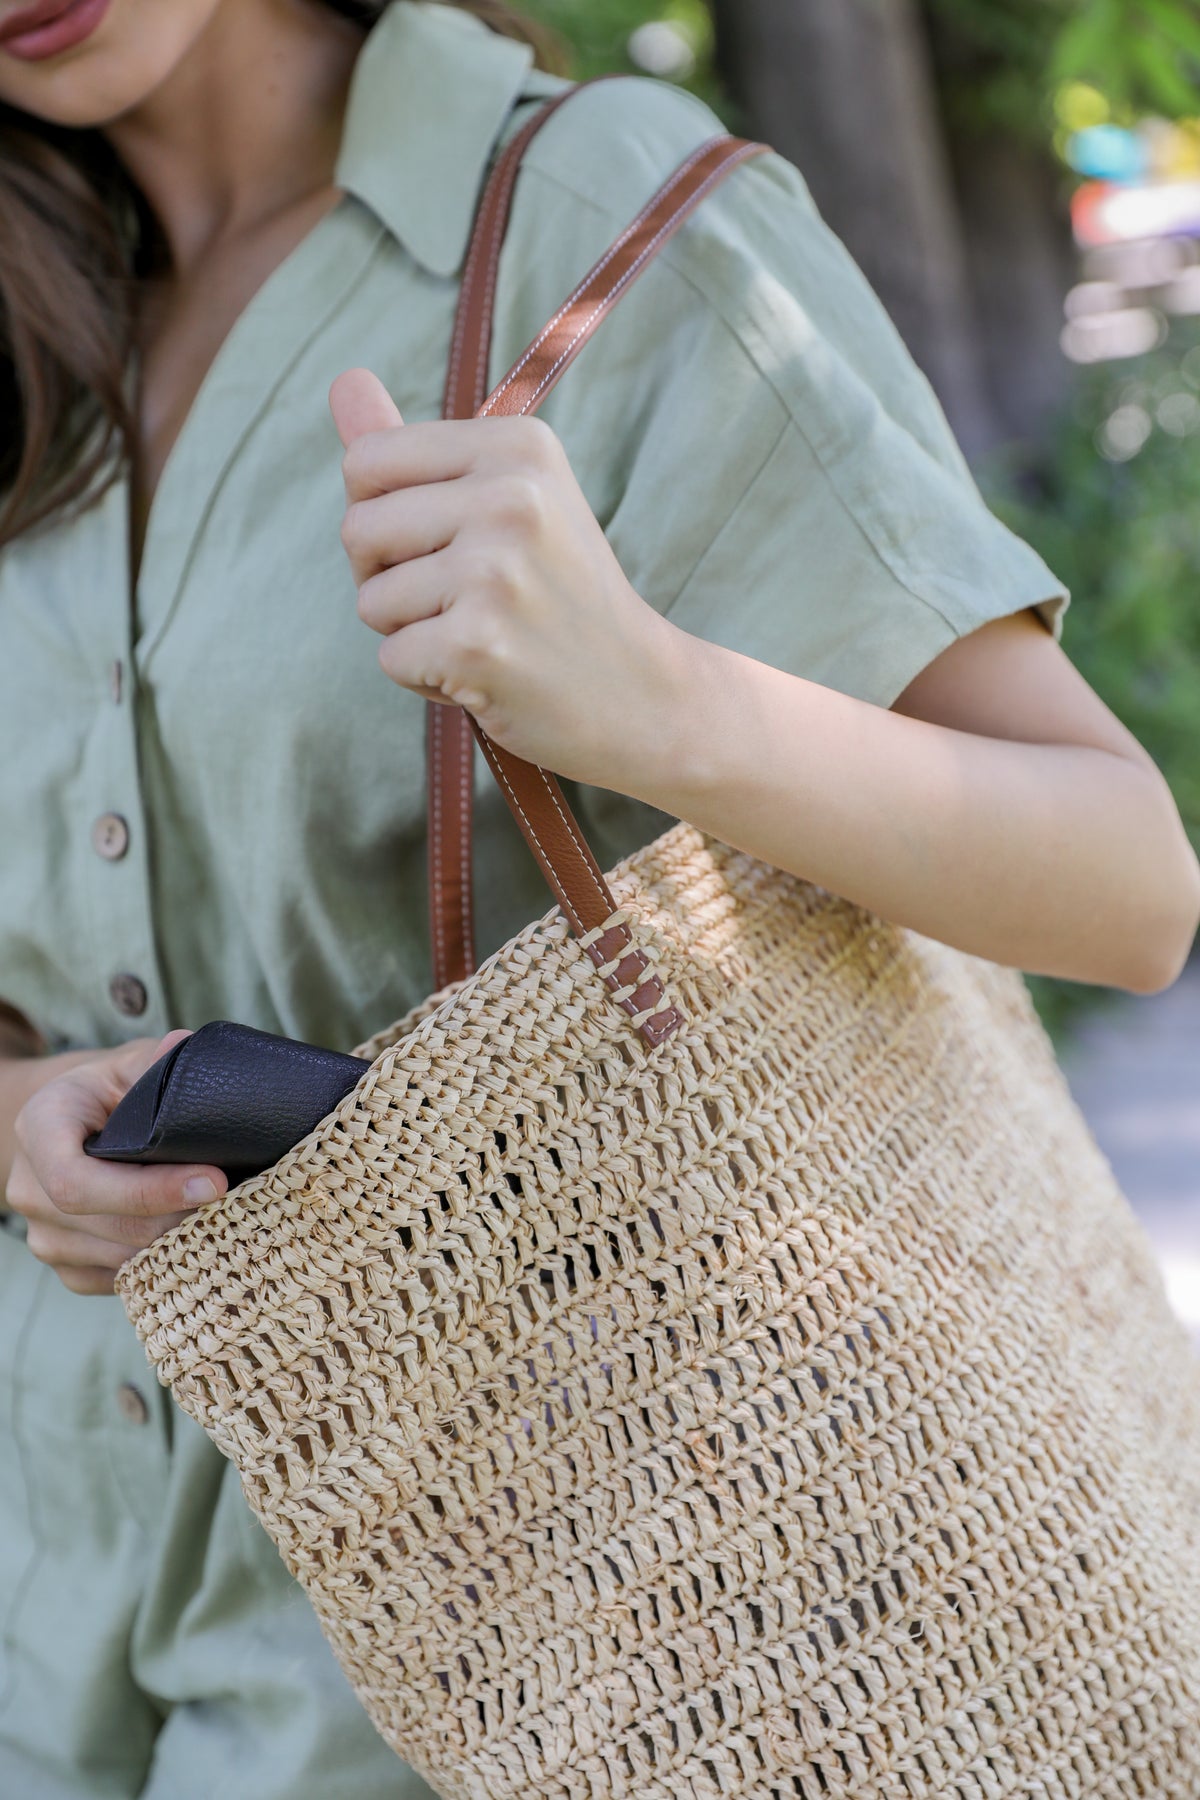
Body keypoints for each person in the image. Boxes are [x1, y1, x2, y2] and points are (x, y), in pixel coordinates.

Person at [1, 0, 1197, 1794]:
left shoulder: (615, 219)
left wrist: (651, 697)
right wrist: (27, 1118)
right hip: (59, 1620)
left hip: (606, 1630)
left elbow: (1127, 881)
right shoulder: (36, 311)